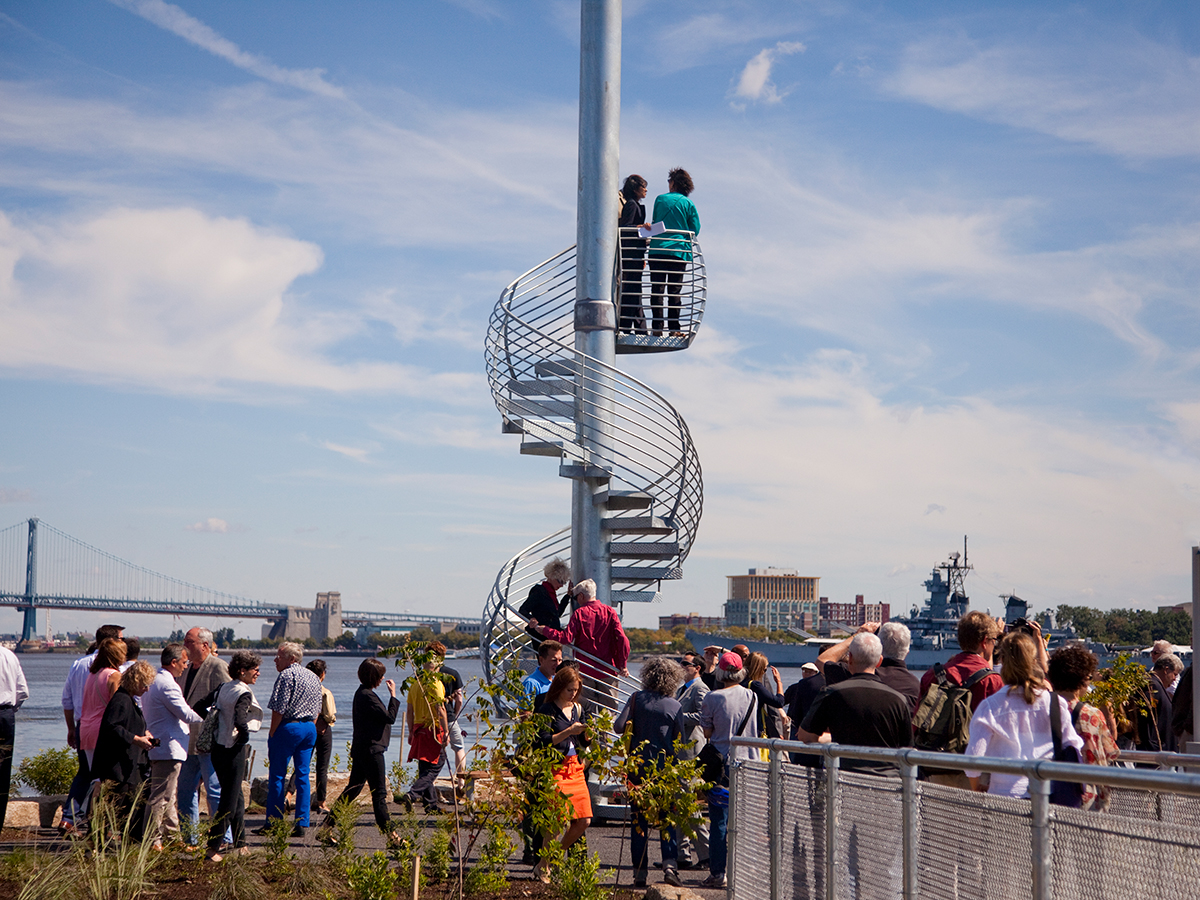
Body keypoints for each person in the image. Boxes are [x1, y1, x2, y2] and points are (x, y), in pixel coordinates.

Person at [964, 632, 1084, 798]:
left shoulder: (990, 706)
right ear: (1034, 662)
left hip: (1004, 797)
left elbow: (973, 759)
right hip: (1047, 796)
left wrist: (977, 787)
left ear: (1003, 662)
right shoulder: (1056, 703)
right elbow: (1074, 745)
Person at [796, 632, 914, 775]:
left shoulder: (831, 693)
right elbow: (907, 748)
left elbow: (805, 736)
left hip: (845, 779)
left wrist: (834, 738)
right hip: (888, 783)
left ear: (850, 658)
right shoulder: (898, 699)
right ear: (879, 661)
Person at [615, 658, 685, 888]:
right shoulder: (675, 706)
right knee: (667, 819)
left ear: (647, 675)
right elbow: (680, 741)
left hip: (637, 768)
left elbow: (618, 726)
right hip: (664, 769)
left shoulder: (635, 698)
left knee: (639, 820)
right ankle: (670, 865)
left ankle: (640, 871)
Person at [916, 610, 1005, 789]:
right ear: (984, 642)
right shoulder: (993, 681)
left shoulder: (931, 675)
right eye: (993, 641)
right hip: (978, 772)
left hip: (937, 768)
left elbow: (917, 723)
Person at [698, 651, 757, 890]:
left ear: (721, 672)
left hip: (721, 765)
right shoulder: (752, 695)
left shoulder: (713, 697)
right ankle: (744, 871)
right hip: (749, 762)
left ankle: (718, 872)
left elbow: (708, 733)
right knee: (744, 820)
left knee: (719, 821)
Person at [60, 623, 123, 835]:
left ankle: (70, 819)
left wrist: (71, 728)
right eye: (120, 640)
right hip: (103, 729)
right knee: (103, 779)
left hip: (82, 725)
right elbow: (117, 705)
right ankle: (94, 824)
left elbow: (67, 699)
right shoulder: (113, 673)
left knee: (85, 774)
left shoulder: (81, 666)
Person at [530, 579, 631, 711]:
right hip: (608, 670)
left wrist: (545, 630)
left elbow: (565, 638)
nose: (577, 601)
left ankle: (587, 731)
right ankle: (606, 732)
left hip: (585, 670)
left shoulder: (580, 613)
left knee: (585, 712)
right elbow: (623, 640)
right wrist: (622, 665)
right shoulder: (610, 612)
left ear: (582, 596)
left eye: (577, 597)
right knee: (608, 714)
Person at [533, 666, 593, 883]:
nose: (573, 694)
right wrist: (568, 731)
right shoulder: (546, 709)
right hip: (555, 768)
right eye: (569, 690)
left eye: (576, 690)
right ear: (559, 687)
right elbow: (541, 741)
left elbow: (584, 741)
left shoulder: (579, 708)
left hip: (575, 767)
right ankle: (545, 865)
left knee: (584, 820)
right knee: (556, 821)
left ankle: (551, 858)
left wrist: (588, 736)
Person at [201, 650, 262, 861]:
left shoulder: (223, 688)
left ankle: (241, 843)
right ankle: (213, 848)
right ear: (243, 671)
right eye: (255, 670)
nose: (258, 673)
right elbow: (240, 719)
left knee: (236, 796)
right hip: (234, 750)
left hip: (218, 748)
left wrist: (215, 724)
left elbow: (200, 706)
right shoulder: (243, 692)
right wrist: (243, 737)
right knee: (228, 800)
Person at [142, 642, 202, 849]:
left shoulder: (153, 680)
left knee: (169, 794)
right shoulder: (168, 684)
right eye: (184, 662)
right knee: (161, 796)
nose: (186, 666)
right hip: (169, 746)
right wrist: (209, 716)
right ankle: (152, 839)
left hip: (161, 745)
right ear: (174, 662)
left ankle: (172, 836)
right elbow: (185, 713)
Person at [336, 658, 401, 842]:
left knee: (353, 790)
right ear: (374, 677)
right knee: (379, 794)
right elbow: (389, 718)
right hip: (372, 751)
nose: (382, 679)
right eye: (380, 676)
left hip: (361, 749)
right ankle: (392, 836)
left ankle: (327, 827)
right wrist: (393, 696)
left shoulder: (362, 693)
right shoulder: (368, 696)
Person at [176, 626, 231, 846]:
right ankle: (191, 837)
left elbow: (229, 698)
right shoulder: (186, 669)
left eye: (189, 642)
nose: (185, 646)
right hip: (187, 741)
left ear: (204, 645)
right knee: (185, 791)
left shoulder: (217, 666)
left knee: (215, 790)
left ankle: (223, 838)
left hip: (210, 741)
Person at [1047, 646, 1118, 811]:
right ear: (1082, 680)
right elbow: (1106, 753)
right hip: (1081, 793)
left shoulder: (1041, 709)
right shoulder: (1090, 714)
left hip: (1047, 788)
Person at [261, 642, 322, 836]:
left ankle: (274, 821)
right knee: (303, 775)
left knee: (277, 775)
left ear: (292, 659)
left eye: (279, 656)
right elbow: (317, 710)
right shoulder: (313, 676)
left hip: (289, 726)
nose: (275, 660)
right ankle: (302, 822)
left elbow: (278, 708)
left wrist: (272, 732)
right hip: (309, 727)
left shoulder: (286, 675)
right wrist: (309, 725)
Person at [90, 660, 156, 838]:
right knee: (112, 806)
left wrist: (143, 732)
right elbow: (112, 727)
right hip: (116, 766)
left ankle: (124, 842)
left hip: (127, 764)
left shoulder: (129, 700)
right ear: (135, 681)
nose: (146, 690)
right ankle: (97, 843)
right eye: (144, 685)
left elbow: (126, 725)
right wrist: (136, 739)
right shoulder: (121, 700)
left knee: (128, 805)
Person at [819, 622, 921, 714]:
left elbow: (821, 660)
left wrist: (857, 636)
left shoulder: (859, 674)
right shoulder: (917, 687)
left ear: (879, 648)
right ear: (907, 652)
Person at [647, 168, 700, 336]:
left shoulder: (660, 199)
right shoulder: (688, 204)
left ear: (673, 183)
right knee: (674, 292)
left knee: (657, 290)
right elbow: (695, 228)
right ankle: (674, 329)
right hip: (679, 251)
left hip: (658, 250)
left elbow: (655, 222)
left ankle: (657, 329)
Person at [286, 660, 336, 813]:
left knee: (302, 764)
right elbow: (330, 715)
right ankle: (321, 802)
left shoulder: (301, 690)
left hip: (305, 727)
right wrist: (327, 721)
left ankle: (288, 795)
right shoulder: (324, 692)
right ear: (322, 674)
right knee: (322, 767)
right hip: (323, 730)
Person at [404, 641, 449, 813]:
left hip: (418, 728)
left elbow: (409, 710)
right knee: (438, 763)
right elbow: (440, 709)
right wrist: (445, 733)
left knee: (424, 766)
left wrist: (410, 731)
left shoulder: (415, 682)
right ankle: (413, 793)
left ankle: (430, 804)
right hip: (432, 728)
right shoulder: (436, 683)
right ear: (440, 662)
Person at [674, 653, 709, 871]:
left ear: (697, 668)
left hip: (692, 753)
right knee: (679, 804)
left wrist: (677, 717)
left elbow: (703, 716)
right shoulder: (682, 688)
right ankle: (682, 855)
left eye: (685, 664)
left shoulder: (700, 688)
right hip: (681, 752)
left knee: (688, 804)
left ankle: (706, 855)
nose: (681, 666)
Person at [80, 637, 126, 768]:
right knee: (108, 778)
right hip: (104, 731)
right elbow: (117, 707)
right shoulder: (114, 676)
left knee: (95, 777)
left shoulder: (92, 674)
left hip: (87, 729)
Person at [0, 645, 27, 831]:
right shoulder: (9, 655)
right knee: (3, 768)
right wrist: (10, 709)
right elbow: (23, 691)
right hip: (5, 716)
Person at [617, 174, 649, 333]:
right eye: (643, 187)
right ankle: (626, 325)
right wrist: (641, 227)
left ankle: (638, 328)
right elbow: (626, 228)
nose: (646, 190)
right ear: (636, 189)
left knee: (635, 291)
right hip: (631, 254)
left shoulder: (634, 204)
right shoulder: (631, 205)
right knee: (633, 290)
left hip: (635, 254)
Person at [519, 558, 572, 651]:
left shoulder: (551, 594)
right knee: (547, 662)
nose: (561, 585)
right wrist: (531, 619)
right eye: (560, 581)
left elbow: (557, 614)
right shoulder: (539, 591)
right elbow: (523, 609)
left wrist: (567, 596)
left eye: (564, 582)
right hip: (541, 636)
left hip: (552, 635)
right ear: (551, 576)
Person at [743, 652, 788, 739]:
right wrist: (779, 682)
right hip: (755, 729)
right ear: (758, 669)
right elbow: (779, 702)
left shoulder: (739, 682)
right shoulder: (755, 686)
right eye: (764, 670)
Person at [441, 660, 467, 782]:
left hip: (428, 717)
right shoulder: (453, 673)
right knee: (459, 747)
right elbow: (459, 699)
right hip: (449, 715)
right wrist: (455, 714)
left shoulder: (423, 674)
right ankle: (461, 781)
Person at [522, 640, 564, 709]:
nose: (558, 664)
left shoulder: (558, 680)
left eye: (560, 660)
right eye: (554, 660)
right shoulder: (531, 684)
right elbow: (525, 713)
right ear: (541, 660)